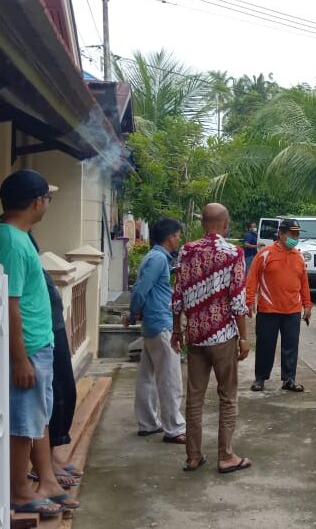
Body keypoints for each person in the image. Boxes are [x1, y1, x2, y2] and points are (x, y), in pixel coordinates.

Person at [0, 169, 78, 516]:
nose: (48, 203)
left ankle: (45, 479)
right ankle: (18, 490)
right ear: (36, 202)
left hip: (37, 345)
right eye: (47, 197)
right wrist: (19, 359)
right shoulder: (13, 243)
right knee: (22, 424)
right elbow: (9, 303)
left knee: (38, 417)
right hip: (27, 348)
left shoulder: (18, 236)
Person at [172, 203, 253, 474]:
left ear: (203, 223)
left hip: (195, 336)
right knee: (227, 396)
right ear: (225, 222)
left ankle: (193, 456)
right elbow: (238, 299)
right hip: (223, 336)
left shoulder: (186, 251)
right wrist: (244, 337)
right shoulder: (233, 253)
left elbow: (178, 294)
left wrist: (177, 330)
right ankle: (226, 456)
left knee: (194, 397)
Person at [127, 218, 187, 444]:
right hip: (161, 323)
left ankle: (148, 423)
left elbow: (143, 288)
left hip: (153, 323)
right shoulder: (159, 259)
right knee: (170, 378)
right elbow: (141, 289)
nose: (179, 239)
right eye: (178, 235)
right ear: (171, 236)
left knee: (148, 376)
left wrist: (136, 312)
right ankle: (174, 428)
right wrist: (133, 312)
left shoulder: (153, 257)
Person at [28, 233, 79, 488]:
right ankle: (43, 465)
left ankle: (52, 457)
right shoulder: (11, 240)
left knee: (64, 394)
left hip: (50, 328)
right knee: (53, 396)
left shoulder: (26, 240)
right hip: (38, 336)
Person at [246, 218, 312, 392]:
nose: (295, 237)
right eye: (292, 234)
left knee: (291, 346)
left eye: (297, 234)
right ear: (281, 234)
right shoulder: (265, 253)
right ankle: (260, 378)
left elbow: (303, 283)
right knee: (265, 345)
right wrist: (249, 300)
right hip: (269, 308)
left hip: (292, 310)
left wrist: (308, 305)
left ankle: (289, 379)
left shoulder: (298, 257)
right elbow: (252, 277)